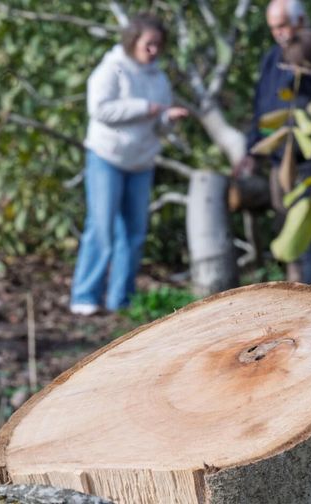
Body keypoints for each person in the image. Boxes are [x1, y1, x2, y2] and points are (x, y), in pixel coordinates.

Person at [234, 0, 311, 290]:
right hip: (289, 167)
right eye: (273, 28)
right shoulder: (273, 58)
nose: (278, 33)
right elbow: (263, 112)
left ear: (301, 20)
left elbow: (306, 132)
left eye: (282, 26)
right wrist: (255, 148)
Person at [70, 14, 188, 316]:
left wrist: (166, 119)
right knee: (101, 227)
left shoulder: (158, 78)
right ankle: (85, 295)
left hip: (141, 162)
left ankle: (121, 298)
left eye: (158, 45)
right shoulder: (111, 69)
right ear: (133, 41)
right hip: (106, 158)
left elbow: (157, 122)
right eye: (149, 44)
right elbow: (99, 109)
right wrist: (145, 108)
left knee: (134, 233)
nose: (153, 51)